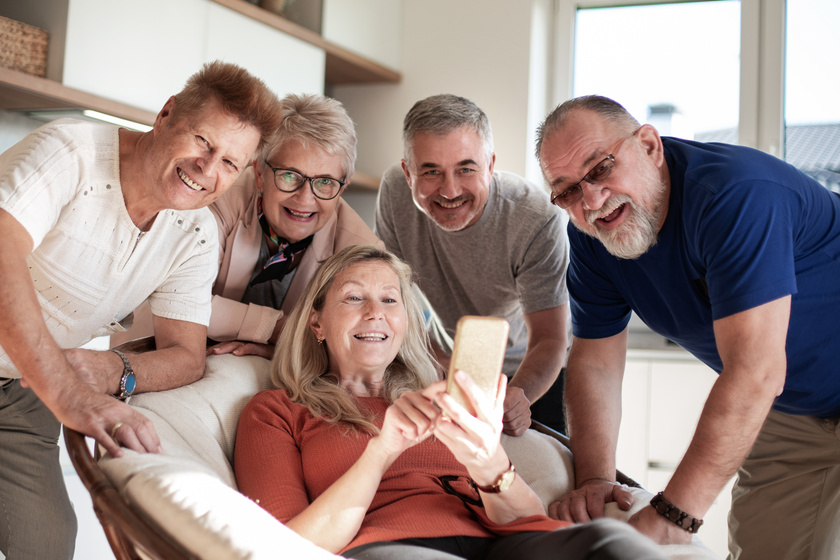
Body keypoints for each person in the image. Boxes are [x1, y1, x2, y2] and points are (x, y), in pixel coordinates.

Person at [535, 94, 840, 560]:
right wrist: (597, 478)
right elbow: (595, 361)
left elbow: (756, 371)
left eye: (600, 169)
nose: (591, 200)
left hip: (768, 385)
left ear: (650, 146)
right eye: (567, 191)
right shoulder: (593, 239)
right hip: (789, 412)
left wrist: (672, 516)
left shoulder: (735, 195)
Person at [0, 60, 282, 559]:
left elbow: (186, 356)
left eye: (230, 164)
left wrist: (114, 369)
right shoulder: (71, 152)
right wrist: (65, 390)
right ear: (167, 113)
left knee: (46, 546)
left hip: (21, 396)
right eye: (202, 142)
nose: (208, 170)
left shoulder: (194, 234)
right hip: (44, 382)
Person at [234, 244, 668, 560]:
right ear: (317, 322)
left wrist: (487, 462)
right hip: (391, 548)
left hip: (506, 543)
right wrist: (383, 449)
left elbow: (525, 518)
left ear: (404, 321)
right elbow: (286, 547)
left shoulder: (439, 398)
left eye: (390, 299)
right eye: (353, 297)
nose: (376, 312)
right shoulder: (278, 411)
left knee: (618, 545)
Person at [115, 93, 381, 359]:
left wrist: (276, 353)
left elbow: (360, 344)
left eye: (325, 182)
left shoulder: (363, 252)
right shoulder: (211, 198)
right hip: (156, 351)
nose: (305, 198)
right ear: (259, 174)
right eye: (289, 175)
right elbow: (174, 298)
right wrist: (278, 329)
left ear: (342, 188)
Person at [375, 94, 570, 437]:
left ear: (491, 165)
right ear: (408, 173)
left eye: (466, 168)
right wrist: (438, 367)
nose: (450, 190)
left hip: (532, 372)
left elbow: (550, 338)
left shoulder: (536, 219)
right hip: (446, 362)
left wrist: (516, 395)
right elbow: (392, 297)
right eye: (431, 171)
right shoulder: (393, 192)